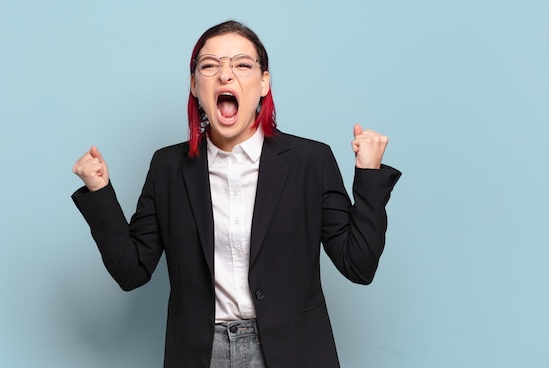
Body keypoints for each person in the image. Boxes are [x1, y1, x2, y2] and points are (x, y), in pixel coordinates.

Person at [72, 20, 401, 368]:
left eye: (242, 65)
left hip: (293, 352)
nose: (225, 75)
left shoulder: (310, 162)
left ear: (263, 83)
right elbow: (132, 270)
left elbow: (358, 265)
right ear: (195, 85)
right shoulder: (168, 167)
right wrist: (99, 191)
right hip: (200, 354)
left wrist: (369, 175)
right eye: (210, 65)